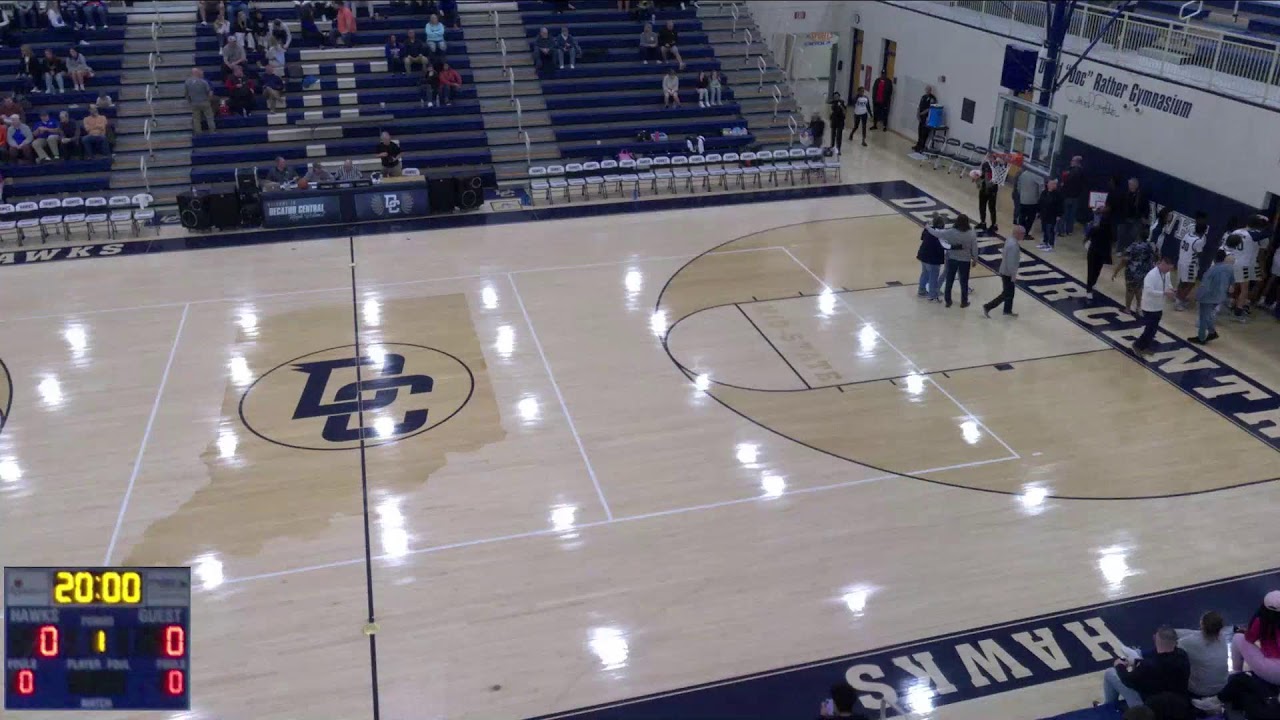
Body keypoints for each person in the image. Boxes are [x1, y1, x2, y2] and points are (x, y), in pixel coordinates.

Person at [1102, 626, 1190, 709]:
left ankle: (1107, 708)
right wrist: (1137, 661)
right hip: (1178, 704)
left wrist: (1119, 666)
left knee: (1110, 673)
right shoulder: (1182, 655)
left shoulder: (1147, 667)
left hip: (1148, 708)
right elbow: (1159, 658)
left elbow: (1127, 680)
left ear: (1155, 638)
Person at [1226, 214, 1271, 323]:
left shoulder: (1236, 231)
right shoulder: (1256, 235)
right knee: (1244, 289)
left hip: (1232, 260)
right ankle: (1238, 312)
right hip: (1244, 264)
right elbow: (1261, 252)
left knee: (1231, 284)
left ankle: (1228, 303)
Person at [928, 214, 978, 308]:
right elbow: (974, 247)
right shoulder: (971, 233)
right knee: (964, 282)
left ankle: (948, 301)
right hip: (965, 261)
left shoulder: (951, 232)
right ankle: (964, 302)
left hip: (952, 259)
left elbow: (937, 234)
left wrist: (928, 227)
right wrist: (975, 259)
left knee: (949, 280)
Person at [1231, 590, 1280, 686]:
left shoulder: (1261, 621)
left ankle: (1236, 673)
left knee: (1238, 637)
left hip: (1274, 671)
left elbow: (1250, 638)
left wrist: (1244, 631)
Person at [1132, 257, 1175, 356]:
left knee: (1154, 329)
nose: (1168, 271)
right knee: (1149, 328)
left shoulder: (1166, 273)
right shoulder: (1151, 275)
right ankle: (1137, 345)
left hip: (1159, 306)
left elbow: (1168, 284)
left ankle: (1145, 346)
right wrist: (1164, 293)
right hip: (1149, 306)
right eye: (1167, 268)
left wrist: (1171, 289)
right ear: (1163, 264)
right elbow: (1149, 291)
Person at [1111, 228, 1157, 315]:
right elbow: (1153, 260)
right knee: (1139, 289)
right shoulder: (1150, 246)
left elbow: (1124, 260)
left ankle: (1127, 309)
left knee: (1130, 290)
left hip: (1132, 272)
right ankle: (1139, 307)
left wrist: (1116, 272)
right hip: (1143, 273)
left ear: (1138, 235)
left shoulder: (1134, 246)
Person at [983, 225, 1024, 318]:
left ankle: (1007, 310)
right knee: (1007, 293)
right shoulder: (1013, 245)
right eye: (1022, 234)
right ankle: (988, 306)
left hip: (1005, 270)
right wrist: (1013, 275)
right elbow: (1011, 262)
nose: (1023, 236)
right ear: (1018, 233)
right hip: (1008, 273)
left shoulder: (1010, 240)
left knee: (1010, 292)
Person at [1174, 219, 1208, 309]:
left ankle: (1178, 297)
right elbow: (1199, 253)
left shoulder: (1187, 235)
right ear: (1204, 231)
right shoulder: (1198, 241)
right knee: (1189, 284)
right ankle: (1179, 301)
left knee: (1182, 282)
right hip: (1189, 264)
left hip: (1181, 261)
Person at [1084, 205, 1115, 301]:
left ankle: (1089, 290)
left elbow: (1086, 237)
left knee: (1091, 270)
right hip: (1102, 252)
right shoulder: (1110, 231)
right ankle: (1092, 284)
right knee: (1097, 270)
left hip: (1093, 252)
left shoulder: (1095, 228)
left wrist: (1086, 242)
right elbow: (1113, 240)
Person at [917, 214, 947, 303]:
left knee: (925, 274)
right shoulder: (941, 234)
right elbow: (943, 246)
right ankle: (933, 295)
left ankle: (921, 290)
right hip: (933, 259)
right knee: (933, 277)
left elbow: (922, 237)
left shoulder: (928, 230)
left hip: (923, 255)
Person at [1120, 177, 1150, 253]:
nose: (1130, 186)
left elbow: (1146, 208)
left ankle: (1129, 249)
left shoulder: (1142, 195)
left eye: (1131, 185)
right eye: (1129, 185)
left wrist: (1143, 217)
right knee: (1121, 230)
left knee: (1133, 233)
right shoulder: (1126, 194)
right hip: (1126, 217)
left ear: (1136, 185)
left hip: (1137, 218)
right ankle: (1121, 248)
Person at [1013, 168, 1044, 241]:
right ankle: (1026, 234)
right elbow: (1041, 187)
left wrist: (1022, 195)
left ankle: (1020, 232)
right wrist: (1040, 197)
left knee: (1022, 217)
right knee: (1030, 218)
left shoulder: (1023, 174)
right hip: (1032, 201)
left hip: (1022, 200)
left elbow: (1018, 187)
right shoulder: (1036, 175)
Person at [1059, 155, 1085, 236]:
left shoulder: (1070, 172)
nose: (1071, 162)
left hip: (1067, 196)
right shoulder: (1082, 172)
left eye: (1072, 160)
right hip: (1076, 197)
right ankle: (1069, 230)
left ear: (1076, 162)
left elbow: (1066, 183)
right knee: (1072, 215)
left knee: (1064, 214)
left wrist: (1062, 185)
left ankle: (1061, 231)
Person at [974, 153, 999, 236]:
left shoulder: (997, 166)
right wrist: (977, 180)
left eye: (991, 157)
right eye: (989, 156)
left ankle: (994, 224)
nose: (989, 158)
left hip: (992, 190)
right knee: (982, 206)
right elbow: (982, 176)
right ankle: (983, 222)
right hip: (984, 189)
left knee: (992, 208)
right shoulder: (985, 164)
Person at [184, 67, 215, 133]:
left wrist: (190, 101)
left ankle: (198, 132)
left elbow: (186, 94)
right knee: (209, 117)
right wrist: (208, 100)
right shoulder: (203, 82)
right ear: (197, 73)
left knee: (196, 119)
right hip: (204, 102)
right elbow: (210, 92)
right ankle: (212, 131)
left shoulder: (187, 82)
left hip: (194, 103)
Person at [1038, 178, 1062, 250]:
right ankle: (1045, 242)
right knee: (1044, 229)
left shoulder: (1057, 194)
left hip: (1052, 215)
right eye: (1050, 183)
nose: (1052, 185)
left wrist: (1059, 215)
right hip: (1044, 214)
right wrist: (1038, 211)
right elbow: (1040, 202)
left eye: (1053, 184)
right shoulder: (1044, 192)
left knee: (1051, 230)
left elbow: (1060, 205)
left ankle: (1051, 244)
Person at [912, 85, 936, 152]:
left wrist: (922, 113)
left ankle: (922, 147)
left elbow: (930, 108)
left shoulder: (932, 98)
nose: (927, 91)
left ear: (930, 90)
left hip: (927, 118)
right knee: (920, 131)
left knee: (924, 133)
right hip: (921, 117)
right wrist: (918, 114)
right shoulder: (923, 97)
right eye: (926, 89)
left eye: (928, 90)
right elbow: (919, 106)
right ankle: (918, 145)